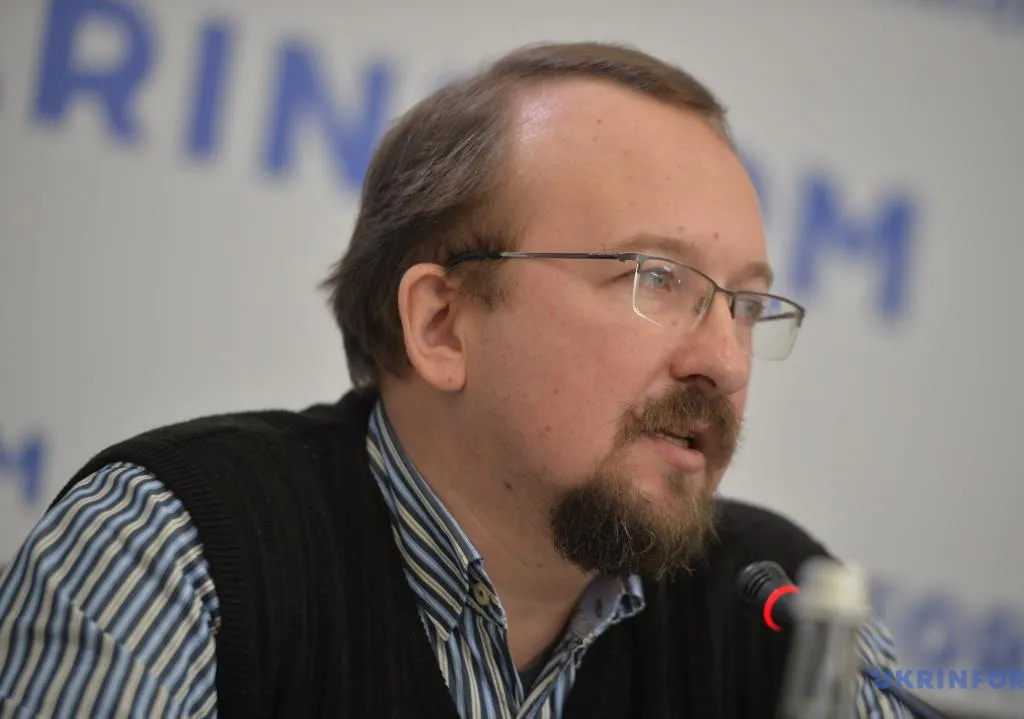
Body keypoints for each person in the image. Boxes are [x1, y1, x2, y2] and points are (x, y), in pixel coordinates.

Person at [0, 42, 911, 718]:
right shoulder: (175, 551)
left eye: (745, 304)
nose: (724, 360)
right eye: (656, 278)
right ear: (442, 323)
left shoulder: (781, 612)